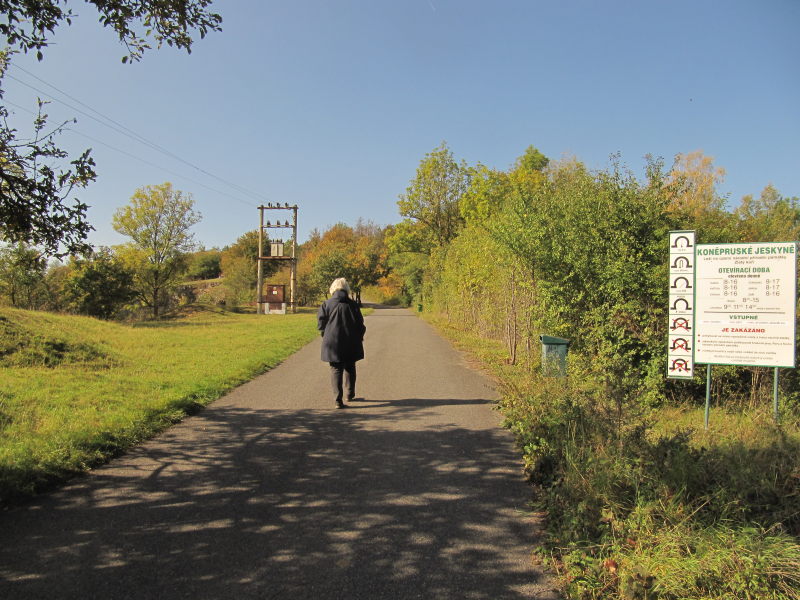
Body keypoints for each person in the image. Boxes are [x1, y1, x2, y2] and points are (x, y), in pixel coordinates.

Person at [317, 278, 366, 409]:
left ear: (333, 289)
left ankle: (338, 400)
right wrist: (359, 337)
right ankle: (350, 393)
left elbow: (321, 324)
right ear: (347, 289)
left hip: (332, 342)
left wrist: (325, 335)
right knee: (350, 366)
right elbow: (360, 324)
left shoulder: (326, 304)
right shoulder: (353, 304)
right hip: (351, 341)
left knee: (336, 369)